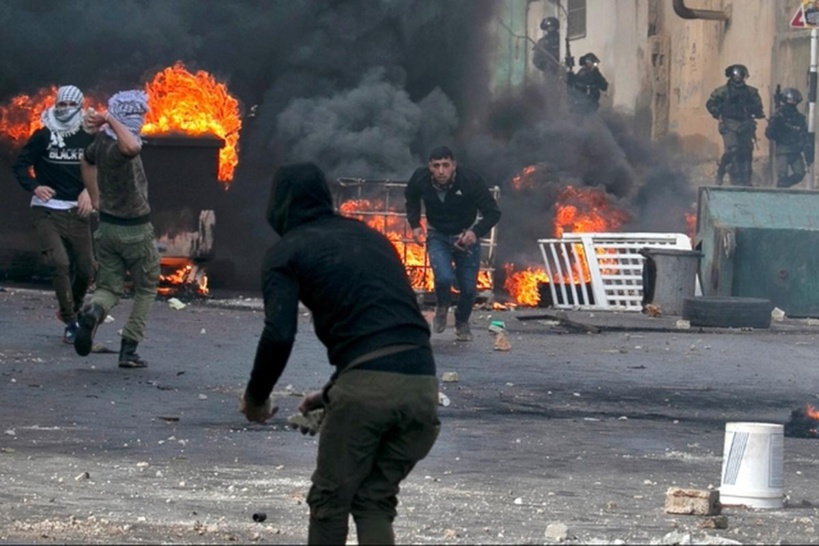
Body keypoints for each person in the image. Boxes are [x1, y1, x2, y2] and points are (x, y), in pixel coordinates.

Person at [239, 162, 440, 545]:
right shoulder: (371, 238)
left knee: (330, 501)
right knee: (374, 500)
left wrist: (256, 398)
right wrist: (330, 393)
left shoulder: (286, 252)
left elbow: (279, 335)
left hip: (366, 390)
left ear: (279, 205)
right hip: (422, 386)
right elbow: (387, 328)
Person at [75, 89, 160, 368]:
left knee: (109, 288)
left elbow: (85, 161)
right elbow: (133, 147)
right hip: (135, 230)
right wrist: (110, 118)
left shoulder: (100, 144)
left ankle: (93, 314)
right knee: (146, 289)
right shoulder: (123, 148)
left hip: (107, 229)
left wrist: (94, 195)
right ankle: (129, 350)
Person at [12, 85, 97, 344]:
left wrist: (89, 192)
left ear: (80, 107)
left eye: (70, 105)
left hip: (77, 211)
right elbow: (20, 165)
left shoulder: (89, 136)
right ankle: (71, 322)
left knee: (86, 269)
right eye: (60, 105)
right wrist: (35, 186)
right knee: (60, 263)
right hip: (46, 211)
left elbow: (103, 167)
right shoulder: (43, 135)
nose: (64, 110)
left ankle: (70, 307)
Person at [404, 146, 501, 342]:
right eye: (436, 166)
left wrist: (476, 232)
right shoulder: (420, 178)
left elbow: (493, 212)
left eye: (445, 165)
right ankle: (442, 306)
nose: (441, 171)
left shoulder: (470, 181)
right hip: (437, 235)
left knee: (468, 288)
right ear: (430, 167)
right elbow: (411, 198)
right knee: (443, 277)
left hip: (465, 237)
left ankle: (462, 322)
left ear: (454, 166)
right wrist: (415, 225)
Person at [706, 64, 765, 186]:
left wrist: (751, 109)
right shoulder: (721, 91)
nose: (738, 77)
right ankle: (722, 171)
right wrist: (718, 113)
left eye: (741, 75)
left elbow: (759, 108)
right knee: (733, 149)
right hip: (729, 124)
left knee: (747, 151)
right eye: (735, 75)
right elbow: (710, 103)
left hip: (746, 124)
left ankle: (747, 178)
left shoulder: (751, 92)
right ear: (731, 76)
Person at [765, 87, 809, 188]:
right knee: (782, 175)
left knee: (800, 174)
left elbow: (803, 132)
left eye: (794, 100)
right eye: (790, 99)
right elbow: (769, 134)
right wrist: (775, 124)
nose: (792, 102)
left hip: (795, 150)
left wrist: (805, 145)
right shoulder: (779, 115)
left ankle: (784, 186)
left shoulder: (800, 117)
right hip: (783, 149)